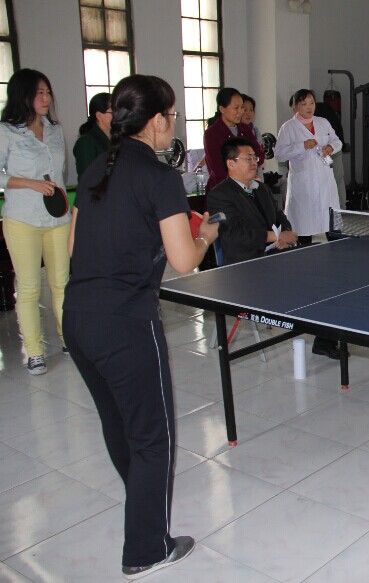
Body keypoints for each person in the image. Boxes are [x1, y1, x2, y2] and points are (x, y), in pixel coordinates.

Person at [63, 74, 219, 579]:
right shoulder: (159, 176)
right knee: (154, 436)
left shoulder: (95, 170)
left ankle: (141, 501)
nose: (173, 123)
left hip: (77, 319)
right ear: (155, 121)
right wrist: (206, 235)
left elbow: (73, 248)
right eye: (171, 115)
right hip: (126, 323)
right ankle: (147, 548)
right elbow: (184, 260)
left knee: (118, 425)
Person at [0, 68, 70, 375]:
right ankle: (35, 351)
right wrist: (30, 183)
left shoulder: (55, 130)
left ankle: (69, 340)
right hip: (22, 219)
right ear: (23, 96)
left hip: (58, 218)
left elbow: (60, 175)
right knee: (28, 288)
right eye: (39, 92)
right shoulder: (6, 131)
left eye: (48, 92)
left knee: (61, 284)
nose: (46, 98)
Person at [275, 89, 342, 359]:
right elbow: (280, 154)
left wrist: (330, 147)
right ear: (295, 107)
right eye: (304, 104)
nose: (309, 107)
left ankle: (335, 262)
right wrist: (301, 146)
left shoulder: (323, 122)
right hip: (302, 186)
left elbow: (337, 141)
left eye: (312, 102)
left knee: (330, 224)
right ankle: (300, 269)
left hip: (324, 183)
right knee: (302, 228)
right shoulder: (288, 128)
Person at [207, 137, 297, 264]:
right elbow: (237, 234)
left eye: (255, 158)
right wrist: (276, 236)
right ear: (231, 164)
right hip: (245, 263)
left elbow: (279, 216)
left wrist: (285, 234)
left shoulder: (262, 188)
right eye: (248, 159)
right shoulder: (220, 195)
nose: (254, 163)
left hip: (275, 255)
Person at [202, 87, 264, 194]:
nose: (240, 112)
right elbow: (218, 169)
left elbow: (259, 156)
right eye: (236, 108)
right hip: (223, 189)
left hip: (247, 187)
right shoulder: (211, 133)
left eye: (242, 107)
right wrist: (243, 178)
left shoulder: (245, 129)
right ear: (222, 109)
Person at [315, 101, 347, 209]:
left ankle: (337, 207)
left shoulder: (318, 117)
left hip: (326, 151)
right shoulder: (326, 110)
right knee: (337, 178)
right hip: (330, 150)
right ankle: (341, 207)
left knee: (332, 177)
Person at [73, 92, 112, 176]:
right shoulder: (86, 142)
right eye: (113, 112)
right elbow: (87, 178)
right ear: (99, 115)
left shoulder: (117, 138)